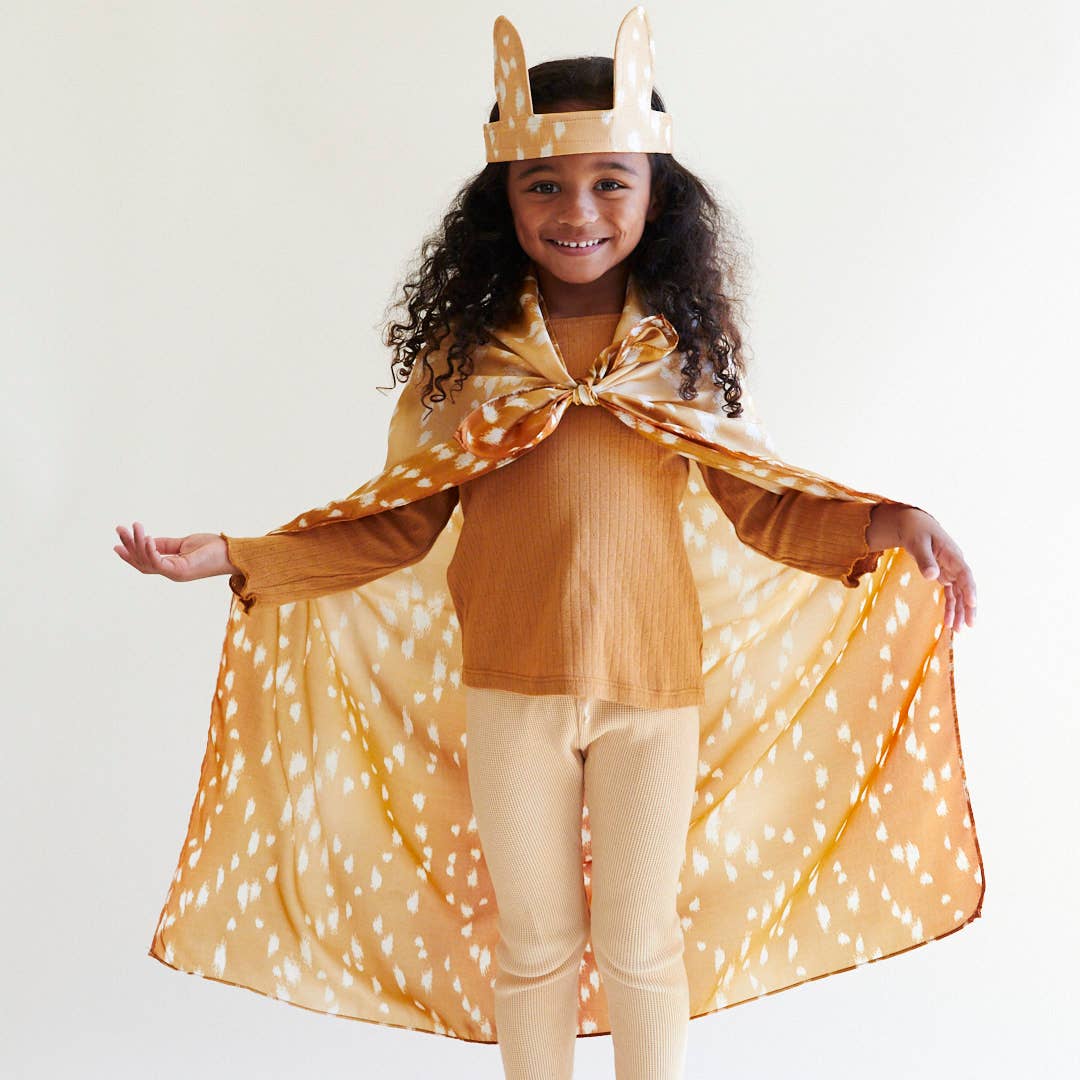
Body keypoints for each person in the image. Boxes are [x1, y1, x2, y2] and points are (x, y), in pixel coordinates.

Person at [115, 9, 980, 1080]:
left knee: (640, 940)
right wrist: (240, 557)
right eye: (545, 185)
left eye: (611, 181)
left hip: (655, 690)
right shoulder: (467, 362)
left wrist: (886, 522)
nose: (578, 210)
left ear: (658, 196)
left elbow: (762, 506)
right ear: (503, 201)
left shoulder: (677, 353)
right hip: (510, 691)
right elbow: (402, 516)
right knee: (532, 945)